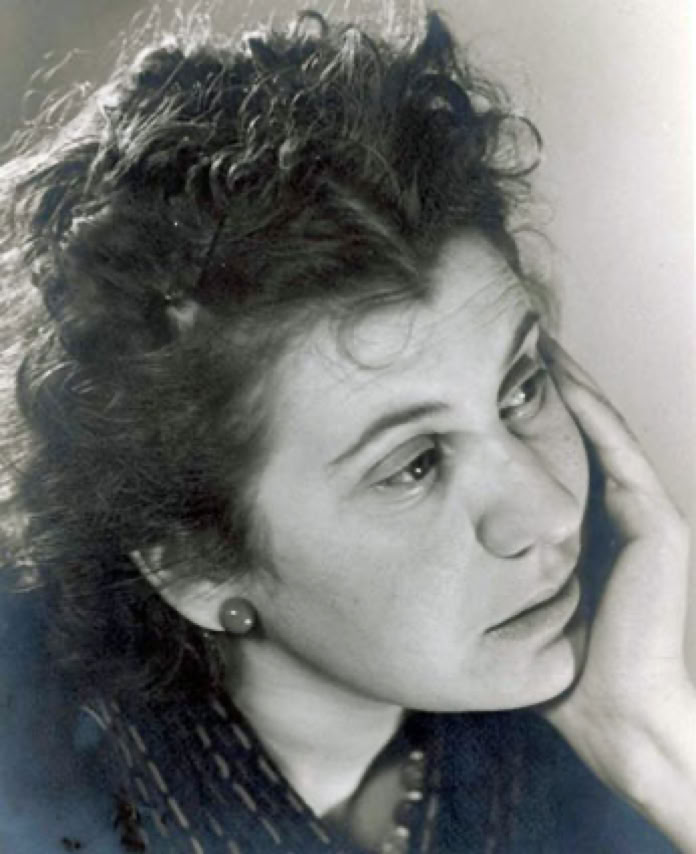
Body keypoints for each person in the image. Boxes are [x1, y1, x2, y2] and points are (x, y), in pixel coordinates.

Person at [0, 7, 693, 853]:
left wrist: (655, 742)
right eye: (414, 465)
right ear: (194, 565)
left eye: (520, 389)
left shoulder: (586, 736)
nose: (548, 512)